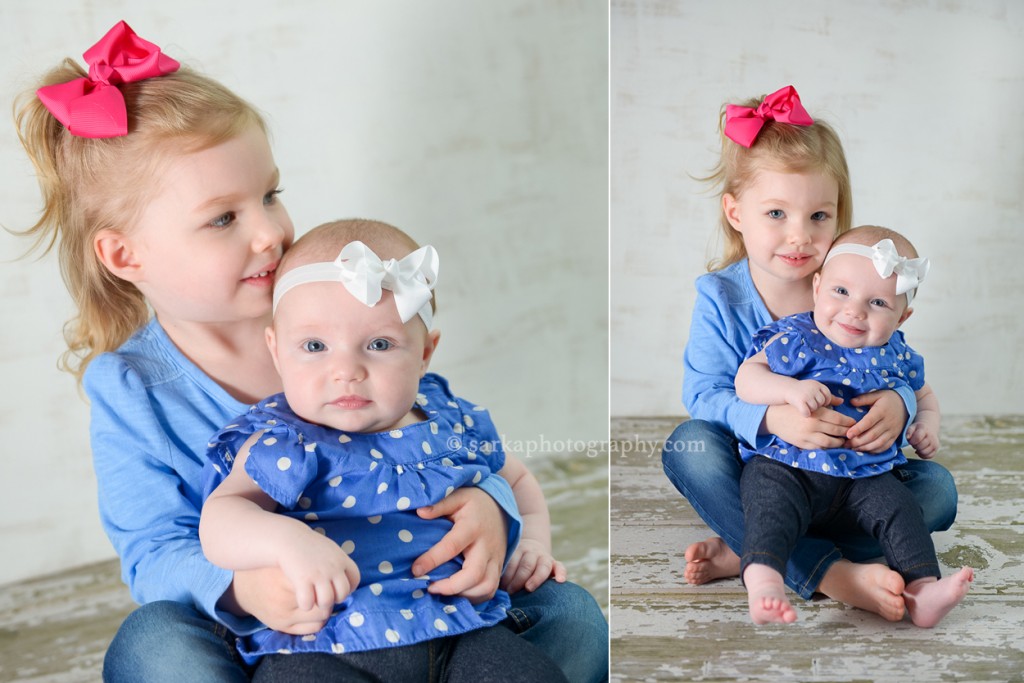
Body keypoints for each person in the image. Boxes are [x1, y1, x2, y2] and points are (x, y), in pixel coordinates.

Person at [13, 20, 607, 683]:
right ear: (127, 254)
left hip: (414, 594)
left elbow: (433, 433)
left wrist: (491, 507)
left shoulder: (324, 306)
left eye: (270, 195)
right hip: (276, 622)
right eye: (224, 218)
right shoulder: (131, 387)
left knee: (572, 612)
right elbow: (153, 550)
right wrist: (246, 585)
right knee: (154, 644)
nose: (270, 232)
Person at [199, 218, 569, 680]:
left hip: (461, 632)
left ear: (425, 353)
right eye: (314, 345)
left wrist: (530, 540)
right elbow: (221, 517)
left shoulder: (450, 422)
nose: (346, 370)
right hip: (325, 643)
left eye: (378, 344)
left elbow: (516, 478)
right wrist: (286, 542)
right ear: (276, 351)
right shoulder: (287, 442)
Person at [660, 85, 958, 621]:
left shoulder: (856, 294)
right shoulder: (721, 297)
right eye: (776, 212)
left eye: (819, 217)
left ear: (839, 215)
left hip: (854, 474)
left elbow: (906, 373)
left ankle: (751, 547)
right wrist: (772, 418)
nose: (798, 236)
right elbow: (703, 394)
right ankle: (832, 575)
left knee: (935, 490)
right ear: (735, 211)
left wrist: (901, 405)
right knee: (689, 448)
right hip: (765, 469)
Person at [734, 225, 973, 626]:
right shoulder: (797, 337)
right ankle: (765, 582)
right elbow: (746, 377)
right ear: (817, 287)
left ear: (902, 316)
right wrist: (789, 390)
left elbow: (925, 395)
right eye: (841, 292)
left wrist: (926, 424)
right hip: (788, 465)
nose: (854, 311)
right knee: (768, 505)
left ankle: (923, 588)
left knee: (901, 508)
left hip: (863, 475)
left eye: (878, 302)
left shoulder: (896, 354)